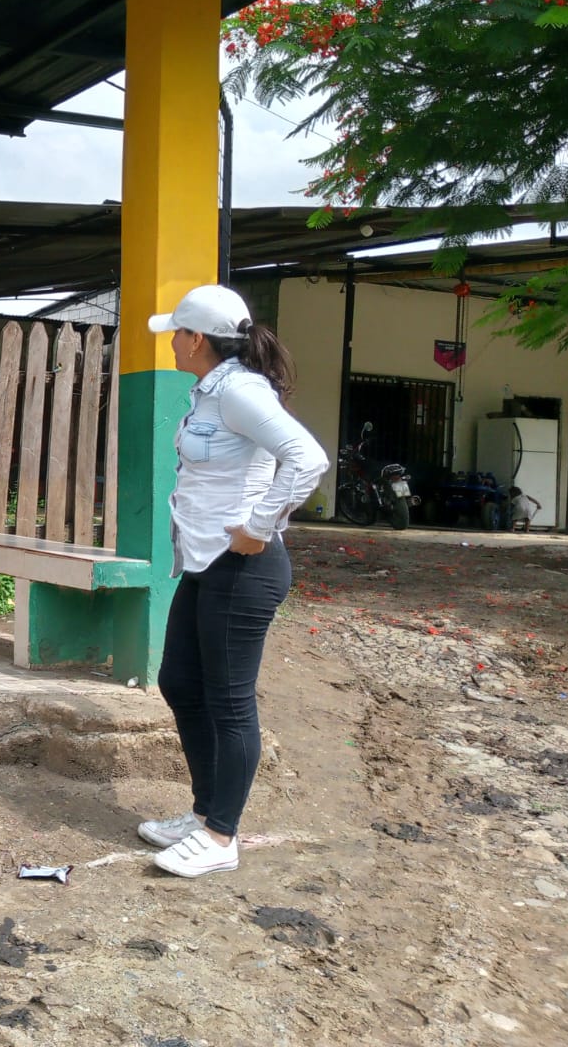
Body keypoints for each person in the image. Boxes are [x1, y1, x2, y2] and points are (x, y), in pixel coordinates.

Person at [139, 285, 329, 879]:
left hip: (243, 567)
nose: (172, 341)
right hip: (207, 564)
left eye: (177, 332)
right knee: (179, 681)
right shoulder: (212, 390)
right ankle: (204, 814)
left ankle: (221, 836)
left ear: (197, 339)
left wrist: (259, 524)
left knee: (228, 701)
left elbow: (307, 458)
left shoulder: (241, 391)